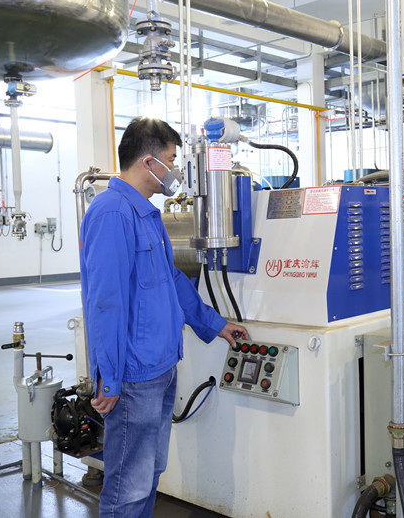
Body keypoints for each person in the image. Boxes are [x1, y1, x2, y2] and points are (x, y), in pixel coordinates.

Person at [79, 116, 248, 517]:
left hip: (160, 367)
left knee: (150, 472)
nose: (174, 169)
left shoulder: (146, 214)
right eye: (172, 160)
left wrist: (215, 324)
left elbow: (171, 281)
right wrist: (109, 377)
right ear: (149, 162)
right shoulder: (112, 213)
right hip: (133, 376)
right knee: (128, 485)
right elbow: (105, 303)